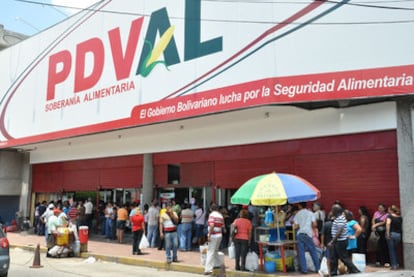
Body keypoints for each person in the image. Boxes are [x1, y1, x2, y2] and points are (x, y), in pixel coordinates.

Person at [328, 204, 361, 275]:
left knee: (343, 257)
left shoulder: (340, 219)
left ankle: (355, 270)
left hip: (340, 241)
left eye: (332, 209)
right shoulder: (338, 218)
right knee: (333, 257)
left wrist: (332, 241)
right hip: (338, 241)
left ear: (335, 211)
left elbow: (339, 231)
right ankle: (333, 273)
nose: (331, 211)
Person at [293, 202, 320, 274]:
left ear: (299, 206)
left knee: (301, 252)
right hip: (308, 234)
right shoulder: (310, 213)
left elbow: (295, 226)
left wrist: (301, 225)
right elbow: (315, 224)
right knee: (313, 251)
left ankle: (304, 270)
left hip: (300, 235)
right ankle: (317, 268)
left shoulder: (297, 214)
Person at [204, 203, 224, 275]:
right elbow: (222, 226)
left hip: (213, 235)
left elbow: (212, 225)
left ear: (211, 209)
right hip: (219, 235)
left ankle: (208, 269)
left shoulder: (212, 215)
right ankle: (218, 264)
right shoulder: (220, 216)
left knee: (210, 252)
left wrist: (209, 235)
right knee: (215, 250)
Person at [386, 205, 402, 270]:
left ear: (391, 210)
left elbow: (388, 224)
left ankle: (394, 265)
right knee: (395, 250)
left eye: (388, 210)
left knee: (392, 250)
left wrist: (387, 233)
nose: (388, 211)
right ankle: (397, 264)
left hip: (392, 234)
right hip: (398, 235)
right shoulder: (400, 217)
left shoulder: (389, 216)